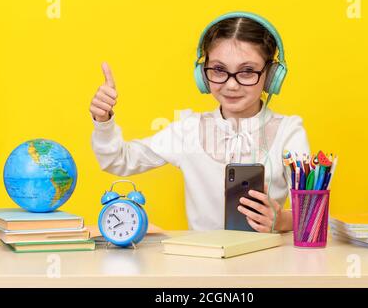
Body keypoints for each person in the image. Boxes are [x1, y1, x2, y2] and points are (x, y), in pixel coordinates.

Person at [90, 12, 310, 233]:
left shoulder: (288, 132)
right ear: (203, 74)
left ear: (271, 75)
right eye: (219, 70)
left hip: (267, 263)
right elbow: (118, 160)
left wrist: (281, 220)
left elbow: (312, 214)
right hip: (202, 263)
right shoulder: (188, 130)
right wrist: (103, 120)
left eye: (247, 71)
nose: (231, 85)